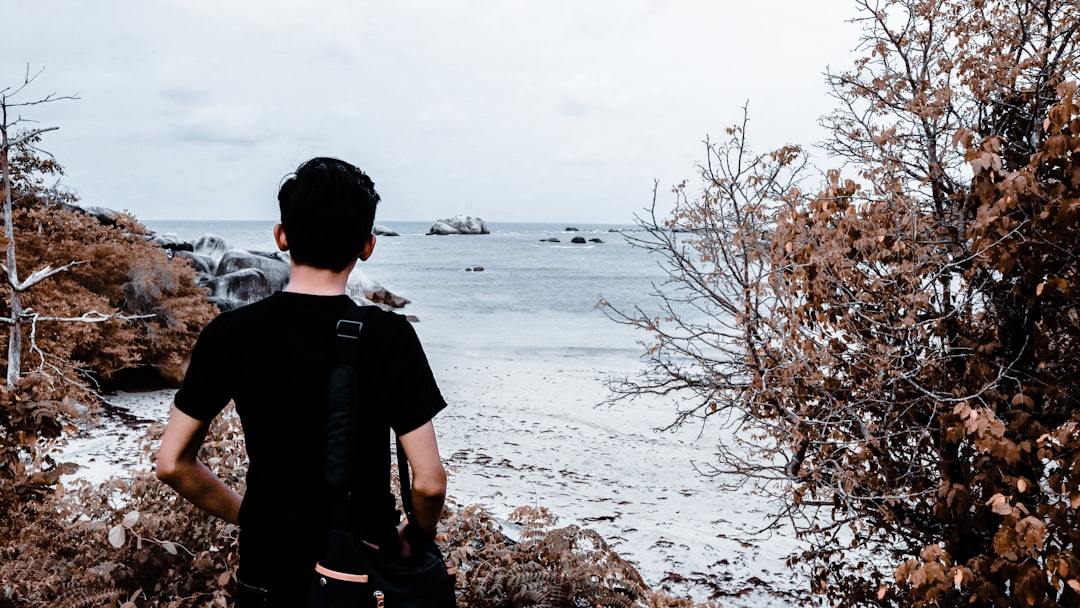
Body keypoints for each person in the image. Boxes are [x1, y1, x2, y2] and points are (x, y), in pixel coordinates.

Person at [157, 157, 448, 607]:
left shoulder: (230, 334)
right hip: (361, 568)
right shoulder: (389, 336)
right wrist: (416, 535)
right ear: (367, 246)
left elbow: (173, 463)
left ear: (282, 236)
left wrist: (251, 517)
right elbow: (428, 482)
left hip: (268, 570)